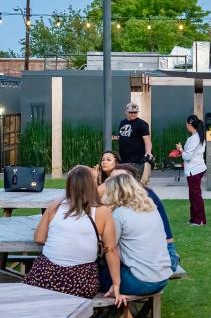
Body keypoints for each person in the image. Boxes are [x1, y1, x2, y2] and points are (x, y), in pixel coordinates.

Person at [24, 165, 124, 304]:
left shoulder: (55, 206)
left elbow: (39, 238)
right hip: (80, 280)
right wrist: (116, 283)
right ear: (92, 185)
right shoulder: (102, 211)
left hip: (44, 277)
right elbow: (111, 250)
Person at [100, 172, 172, 296]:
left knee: (94, 277)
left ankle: (120, 315)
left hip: (140, 281)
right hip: (162, 277)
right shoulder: (151, 208)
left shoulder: (119, 214)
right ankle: (128, 314)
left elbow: (109, 247)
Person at [177, 115, 207, 226]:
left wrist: (180, 150)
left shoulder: (194, 138)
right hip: (195, 169)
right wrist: (181, 151)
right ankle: (194, 219)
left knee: (195, 195)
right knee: (193, 195)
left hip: (194, 170)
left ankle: (199, 220)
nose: (186, 126)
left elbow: (187, 157)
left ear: (190, 124)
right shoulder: (198, 137)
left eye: (186, 124)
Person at [115, 103, 152, 178]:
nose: (133, 114)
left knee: (134, 183)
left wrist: (148, 152)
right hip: (123, 159)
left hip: (136, 159)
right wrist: (115, 138)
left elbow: (147, 140)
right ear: (126, 112)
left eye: (135, 112)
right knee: (124, 183)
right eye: (130, 112)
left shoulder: (142, 124)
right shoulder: (123, 122)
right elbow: (124, 136)